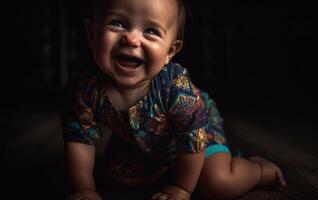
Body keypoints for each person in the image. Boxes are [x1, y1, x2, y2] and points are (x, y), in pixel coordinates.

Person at [61, 0, 287, 199]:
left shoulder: (174, 86)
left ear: (170, 50)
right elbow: (79, 139)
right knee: (114, 176)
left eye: (150, 30)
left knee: (217, 184)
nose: (131, 38)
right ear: (91, 34)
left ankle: (258, 170)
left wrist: (180, 188)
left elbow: (194, 138)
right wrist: (85, 189)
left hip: (199, 135)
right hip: (143, 142)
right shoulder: (87, 89)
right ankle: (166, 166)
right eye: (118, 23)